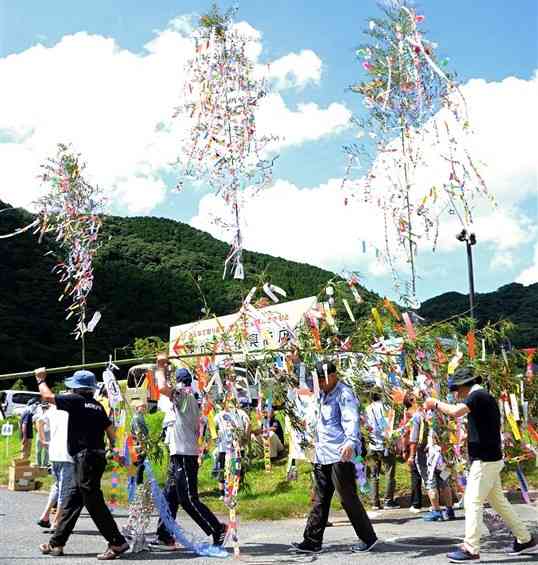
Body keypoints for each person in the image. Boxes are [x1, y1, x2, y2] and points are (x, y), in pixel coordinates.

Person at [425, 366, 537, 562]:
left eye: (456, 390)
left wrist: (435, 403)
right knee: (499, 502)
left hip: (485, 460)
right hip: (489, 459)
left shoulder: (477, 395)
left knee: (472, 501)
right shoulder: (482, 397)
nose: (456, 394)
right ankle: (525, 538)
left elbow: (455, 412)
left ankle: (471, 549)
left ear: (464, 386)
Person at [34, 368, 129, 560]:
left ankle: (117, 543)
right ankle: (56, 543)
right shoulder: (97, 406)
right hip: (95, 457)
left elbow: (47, 396)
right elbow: (111, 431)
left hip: (85, 459)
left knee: (93, 502)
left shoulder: (75, 400)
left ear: (77, 389)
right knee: (73, 499)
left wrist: (40, 379)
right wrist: (113, 449)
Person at [291, 361, 378, 554]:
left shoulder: (344, 393)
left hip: (341, 454)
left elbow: (351, 419)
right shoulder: (321, 395)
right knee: (320, 498)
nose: (319, 383)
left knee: (347, 497)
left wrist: (350, 442)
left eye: (321, 379)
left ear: (331, 376)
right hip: (322, 455)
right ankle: (312, 541)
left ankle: (368, 538)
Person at [153, 354, 226, 550]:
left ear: (181, 385)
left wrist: (160, 366)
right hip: (177, 455)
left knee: (188, 499)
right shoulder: (184, 400)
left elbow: (161, 387)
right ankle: (165, 534)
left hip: (185, 456)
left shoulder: (185, 396)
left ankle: (217, 528)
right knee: (170, 495)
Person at [406, 392, 455, 521]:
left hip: (425, 456)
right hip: (441, 455)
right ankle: (449, 510)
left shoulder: (418, 416)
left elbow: (414, 439)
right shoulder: (441, 415)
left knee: (430, 482)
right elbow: (448, 433)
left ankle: (437, 511)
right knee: (444, 480)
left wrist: (411, 456)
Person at [37, 404, 75, 531]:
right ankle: (57, 522)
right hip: (67, 454)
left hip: (53, 453)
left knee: (57, 485)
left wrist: (43, 440)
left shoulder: (52, 409)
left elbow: (39, 422)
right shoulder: (72, 408)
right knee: (65, 489)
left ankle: (45, 516)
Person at [365, 389, 398, 509]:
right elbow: (388, 426)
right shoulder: (386, 408)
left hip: (372, 445)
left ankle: (375, 502)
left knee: (374, 474)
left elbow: (366, 426)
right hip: (385, 444)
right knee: (389, 472)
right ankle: (388, 500)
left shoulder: (367, 409)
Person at [215, 401, 251, 497]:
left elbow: (248, 424)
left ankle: (236, 490)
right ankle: (223, 492)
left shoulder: (240, 413)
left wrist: (245, 438)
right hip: (223, 447)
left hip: (238, 446)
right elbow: (213, 428)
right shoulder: (219, 415)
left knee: (237, 468)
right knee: (223, 469)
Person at [35, 402, 51, 468]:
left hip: (47, 432)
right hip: (39, 432)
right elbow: (35, 421)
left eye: (46, 407)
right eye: (43, 407)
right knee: (38, 450)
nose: (44, 408)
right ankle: (38, 464)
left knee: (47, 450)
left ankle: (45, 464)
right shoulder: (38, 413)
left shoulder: (50, 414)